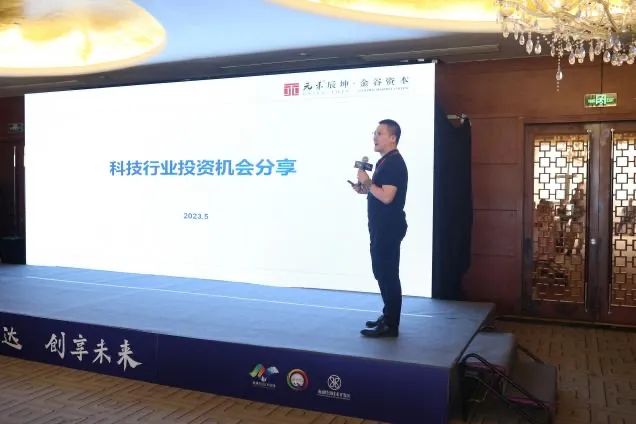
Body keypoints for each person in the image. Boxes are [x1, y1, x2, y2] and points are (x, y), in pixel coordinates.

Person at [352, 119, 408, 338]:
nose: (375, 137)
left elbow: (387, 197)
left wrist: (367, 182)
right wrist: (364, 188)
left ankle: (391, 324)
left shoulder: (393, 163)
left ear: (392, 138)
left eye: (380, 133)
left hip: (388, 228)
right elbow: (379, 192)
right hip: (381, 227)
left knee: (387, 274)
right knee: (382, 272)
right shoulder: (385, 161)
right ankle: (387, 316)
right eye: (374, 133)